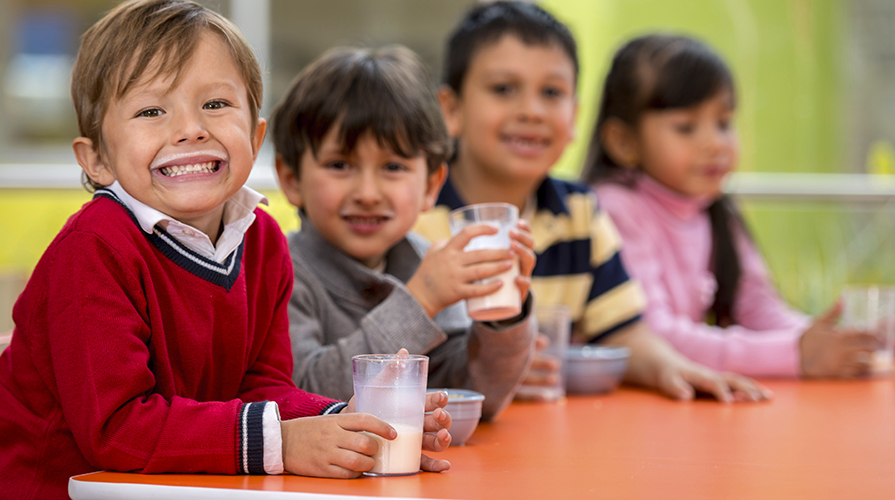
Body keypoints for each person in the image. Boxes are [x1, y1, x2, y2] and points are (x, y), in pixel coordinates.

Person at [0, 2, 450, 498]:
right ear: (98, 159)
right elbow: (119, 430)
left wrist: (350, 424)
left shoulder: (261, 241)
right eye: (151, 111)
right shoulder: (93, 249)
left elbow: (262, 387)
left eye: (215, 105)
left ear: (256, 138)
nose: (190, 129)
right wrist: (282, 442)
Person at [414, 1, 769, 402]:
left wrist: (672, 367)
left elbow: (623, 329)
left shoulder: (580, 213)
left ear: (575, 117)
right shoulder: (415, 217)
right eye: (504, 89)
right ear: (452, 109)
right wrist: (490, 370)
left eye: (552, 92)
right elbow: (382, 349)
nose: (531, 111)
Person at [584, 34, 880, 378]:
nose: (715, 144)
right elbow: (652, 339)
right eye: (686, 127)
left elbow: (757, 306)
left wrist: (827, 341)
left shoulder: (714, 207)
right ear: (623, 141)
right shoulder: (615, 209)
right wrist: (794, 354)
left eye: (724, 123)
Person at [270, 45, 538, 421]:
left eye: (393, 167)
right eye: (340, 164)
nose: (367, 193)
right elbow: (303, 395)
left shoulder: (423, 261)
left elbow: (476, 395)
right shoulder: (278, 273)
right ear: (291, 179)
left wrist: (503, 318)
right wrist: (420, 299)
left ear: (431, 184)